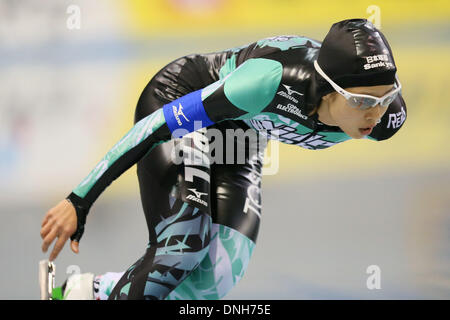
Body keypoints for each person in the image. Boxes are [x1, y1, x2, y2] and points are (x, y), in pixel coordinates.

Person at [39, 18, 407, 300]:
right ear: (328, 90)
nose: (374, 114)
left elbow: (378, 105)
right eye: (362, 101)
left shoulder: (385, 119)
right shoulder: (267, 83)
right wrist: (80, 199)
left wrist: (377, 102)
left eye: (384, 97)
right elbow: (156, 127)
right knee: (183, 245)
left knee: (216, 277)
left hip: (243, 135)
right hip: (183, 96)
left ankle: (88, 292)